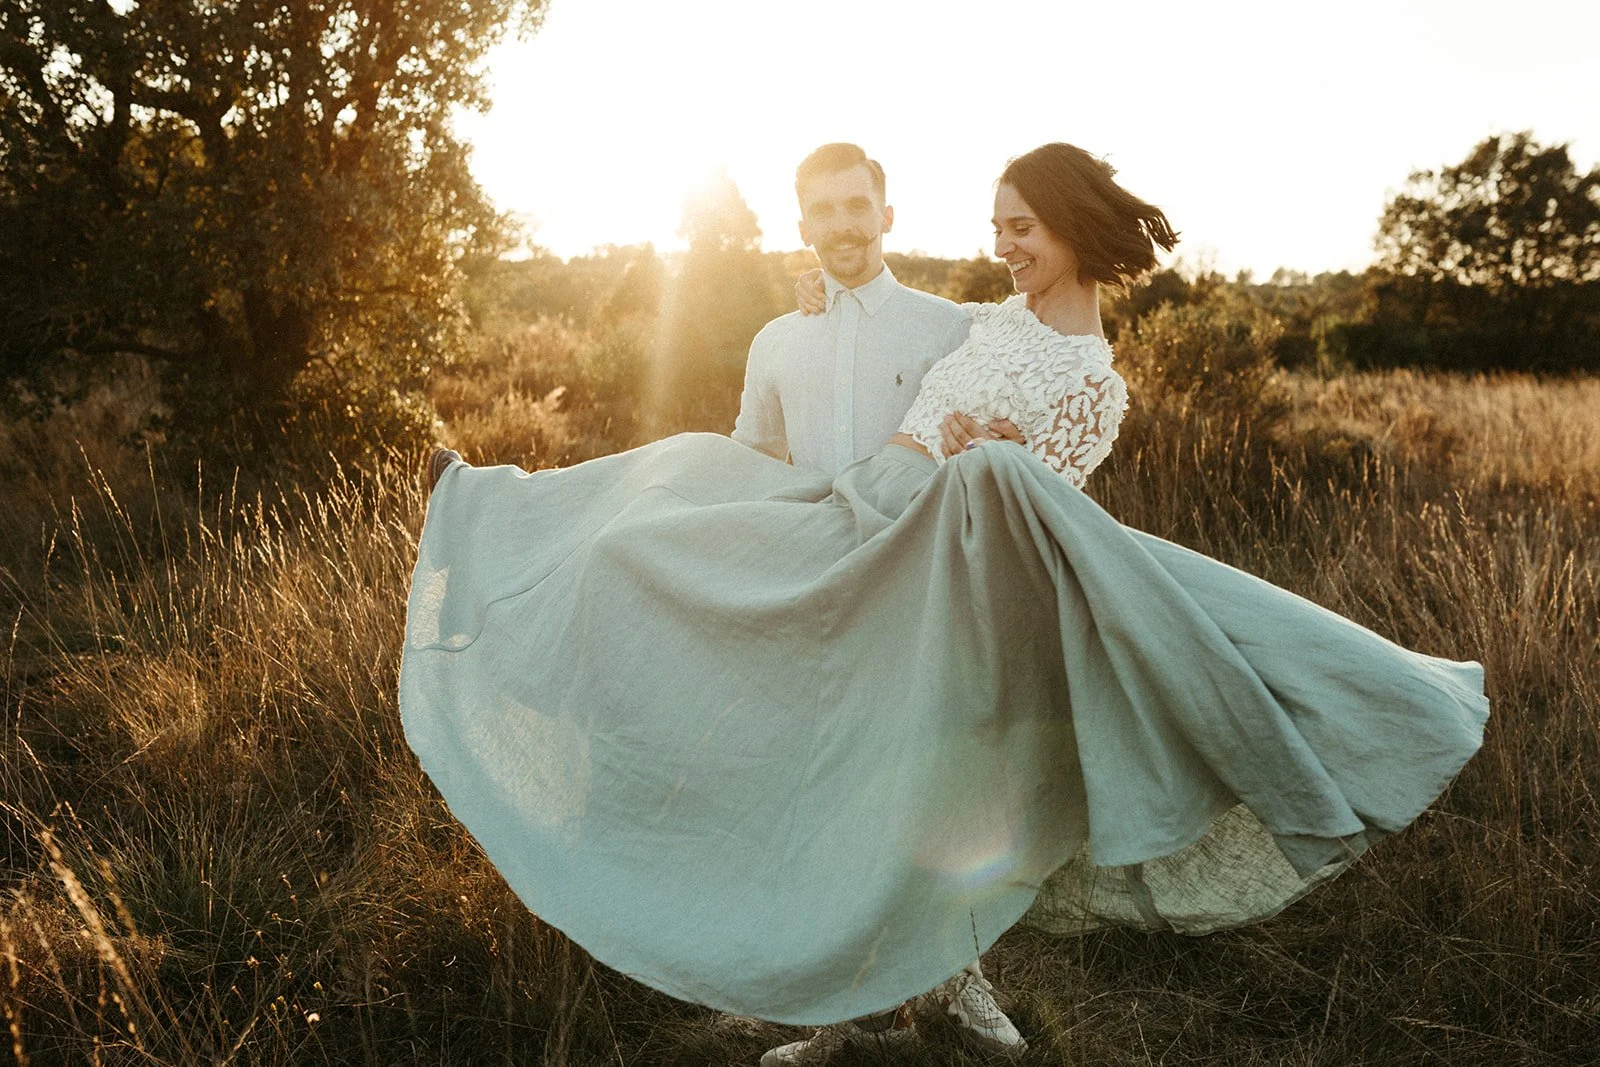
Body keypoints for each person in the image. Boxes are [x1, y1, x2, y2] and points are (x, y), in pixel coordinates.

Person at [402, 143, 1488, 1066]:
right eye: (997, 226)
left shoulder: (1093, 380)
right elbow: (882, 315)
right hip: (865, 506)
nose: (1004, 245)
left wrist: (1004, 459)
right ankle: (485, 509)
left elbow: (1051, 511)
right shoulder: (989, 319)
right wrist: (817, 293)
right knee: (665, 506)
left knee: (933, 780)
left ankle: (944, 983)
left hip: (946, 563)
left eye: (1021, 227)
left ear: (1070, 229)